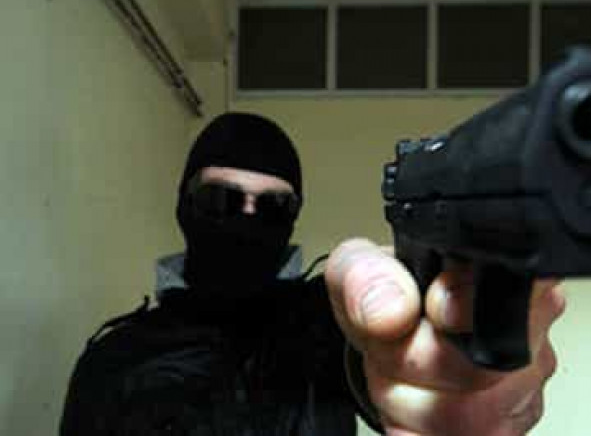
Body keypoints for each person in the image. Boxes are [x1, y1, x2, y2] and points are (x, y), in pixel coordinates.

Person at [59, 112, 565, 436]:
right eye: (222, 200)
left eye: (273, 207)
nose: (247, 220)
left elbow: (394, 369)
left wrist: (455, 366)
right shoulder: (114, 360)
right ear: (184, 204)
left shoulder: (328, 332)